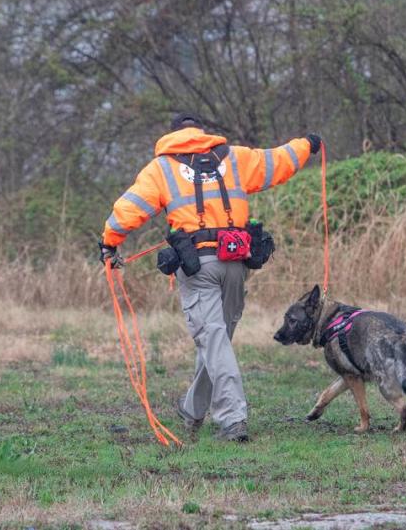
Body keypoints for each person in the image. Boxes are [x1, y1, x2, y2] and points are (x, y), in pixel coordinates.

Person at [99, 113, 320, 442]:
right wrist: (308, 144)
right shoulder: (234, 157)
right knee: (217, 342)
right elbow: (279, 161)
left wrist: (108, 243)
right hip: (236, 265)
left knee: (214, 341)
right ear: (201, 133)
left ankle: (233, 420)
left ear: (173, 135)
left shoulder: (161, 168)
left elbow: (128, 210)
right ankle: (192, 410)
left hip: (197, 267)